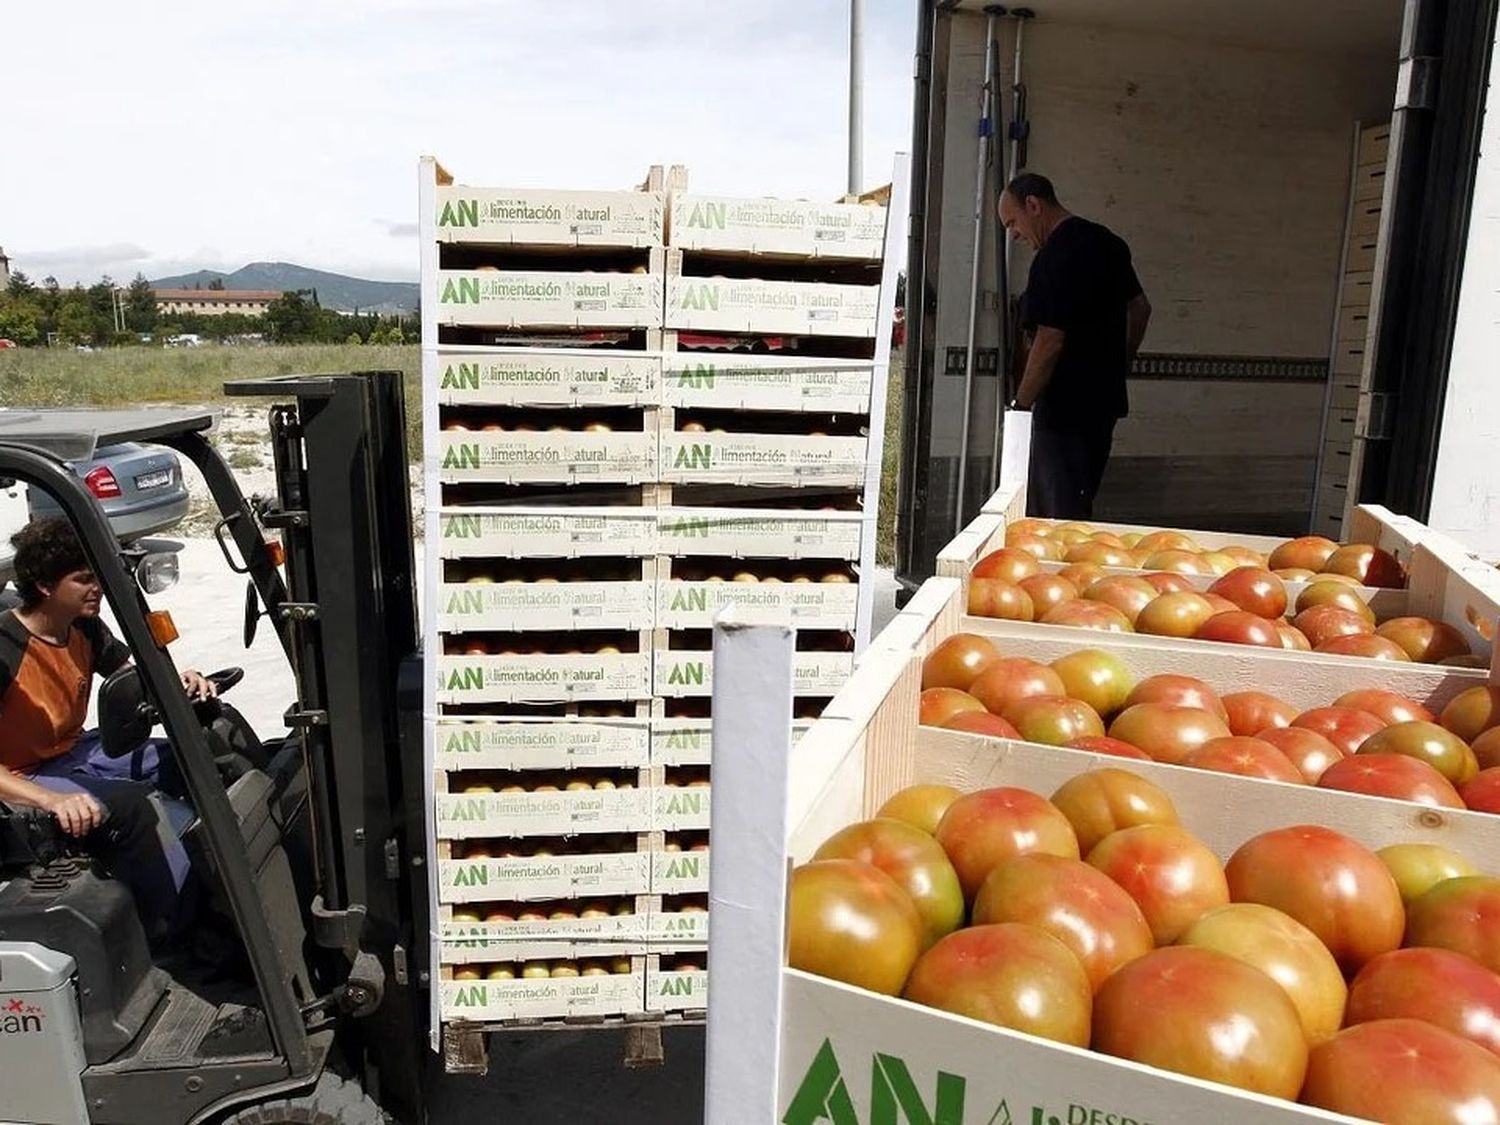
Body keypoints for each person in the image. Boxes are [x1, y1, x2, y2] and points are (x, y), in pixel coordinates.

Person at [0, 517, 215, 942]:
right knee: (135, 807)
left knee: (191, 754)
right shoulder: (5, 648)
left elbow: (132, 679)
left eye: (97, 576)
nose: (95, 587)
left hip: (73, 752)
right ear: (45, 586)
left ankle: (224, 877)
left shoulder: (84, 627)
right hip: (21, 778)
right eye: (83, 579)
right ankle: (177, 934)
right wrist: (50, 800)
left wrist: (180, 682)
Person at [1000, 173, 1153, 519]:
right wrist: (1120, 362)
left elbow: (1049, 340)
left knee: (1054, 518)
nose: (1014, 234)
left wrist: (1021, 403)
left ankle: (1060, 574)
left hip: (1063, 411)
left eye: (1013, 223)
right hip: (1103, 407)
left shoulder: (1052, 257)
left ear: (1033, 205)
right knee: (1078, 505)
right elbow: (1141, 309)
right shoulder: (1110, 244)